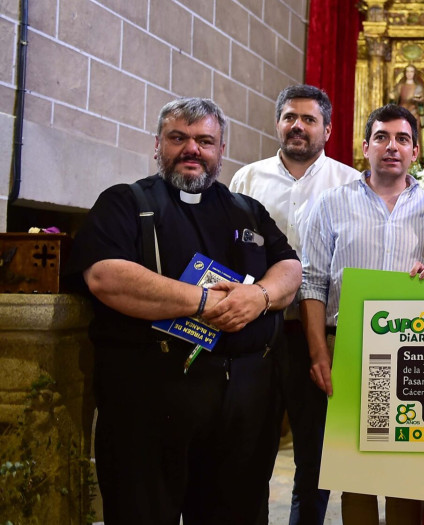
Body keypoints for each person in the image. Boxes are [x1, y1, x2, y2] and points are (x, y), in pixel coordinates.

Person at [66, 97, 301, 524]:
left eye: (205, 141)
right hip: (150, 398)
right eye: (179, 138)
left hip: (243, 405)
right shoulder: (124, 202)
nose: (192, 149)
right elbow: (105, 276)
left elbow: (290, 267)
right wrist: (204, 301)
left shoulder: (246, 209)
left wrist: (261, 296)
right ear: (158, 145)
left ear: (220, 151)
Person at [300, 103, 424, 525]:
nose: (392, 147)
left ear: (416, 152)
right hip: (345, 342)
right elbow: (312, 283)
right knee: (356, 467)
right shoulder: (330, 203)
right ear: (365, 146)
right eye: (382, 137)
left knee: (405, 466)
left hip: (412, 349)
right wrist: (318, 354)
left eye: (402, 139)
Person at [228, 84, 359, 525]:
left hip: (316, 334)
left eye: (308, 119)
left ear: (327, 129)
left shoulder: (349, 183)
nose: (297, 126)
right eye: (289, 117)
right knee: (251, 445)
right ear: (278, 123)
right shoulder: (246, 180)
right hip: (257, 329)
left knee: (314, 453)